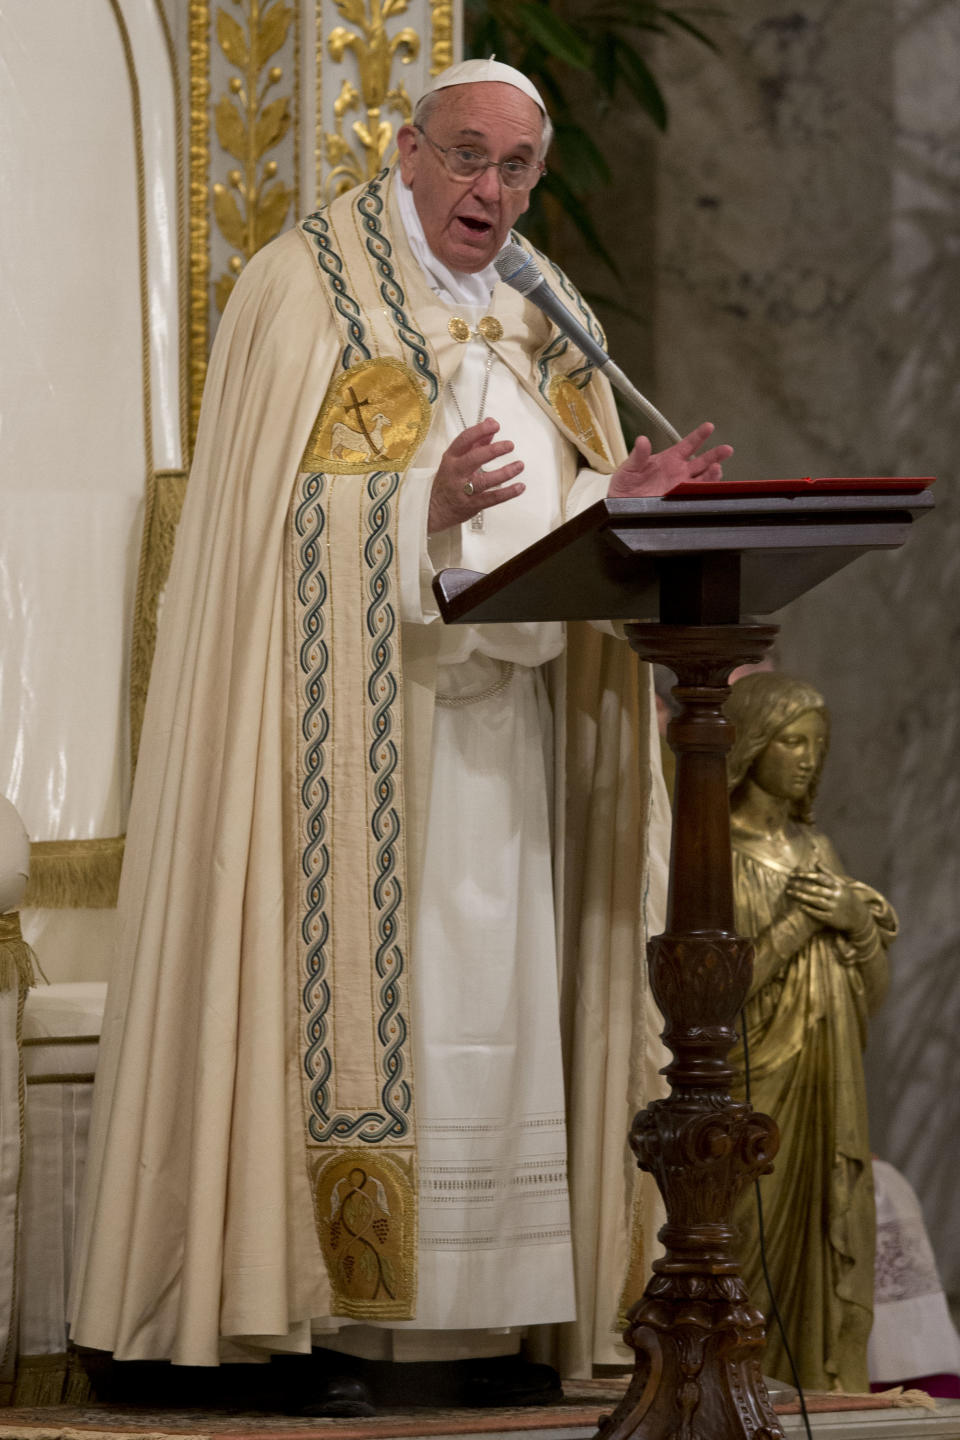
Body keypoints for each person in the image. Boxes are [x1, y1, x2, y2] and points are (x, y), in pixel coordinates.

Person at [68, 59, 731, 1411]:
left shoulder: (551, 315)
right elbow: (257, 541)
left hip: (509, 748)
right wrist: (406, 516)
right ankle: (292, 1319)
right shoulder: (306, 288)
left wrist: (623, 493)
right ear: (406, 150)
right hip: (347, 748)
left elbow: (555, 507)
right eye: (468, 157)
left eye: (517, 168)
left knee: (495, 1030)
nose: (490, 191)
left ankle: (478, 1323)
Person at [725, 673, 896, 1393]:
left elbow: (872, 996)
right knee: (744, 1233)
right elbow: (719, 992)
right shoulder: (714, 852)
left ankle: (819, 1379)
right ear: (754, 742)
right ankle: (736, 1382)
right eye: (792, 740)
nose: (806, 759)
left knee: (829, 1226)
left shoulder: (817, 848)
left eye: (816, 746)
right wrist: (799, 924)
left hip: (831, 1080)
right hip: (756, 1078)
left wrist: (857, 926)